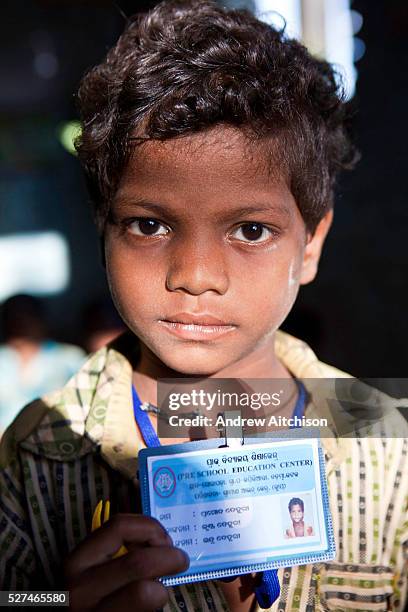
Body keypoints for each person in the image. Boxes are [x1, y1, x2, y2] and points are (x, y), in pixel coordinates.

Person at [0, 1, 407, 610]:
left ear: (312, 244)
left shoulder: (388, 450)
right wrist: (54, 601)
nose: (195, 277)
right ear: (102, 229)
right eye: (147, 224)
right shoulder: (32, 459)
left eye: (249, 231)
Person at [0, 294, 85, 435]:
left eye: (26, 317)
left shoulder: (68, 357)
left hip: (56, 442)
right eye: (13, 319)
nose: (20, 324)